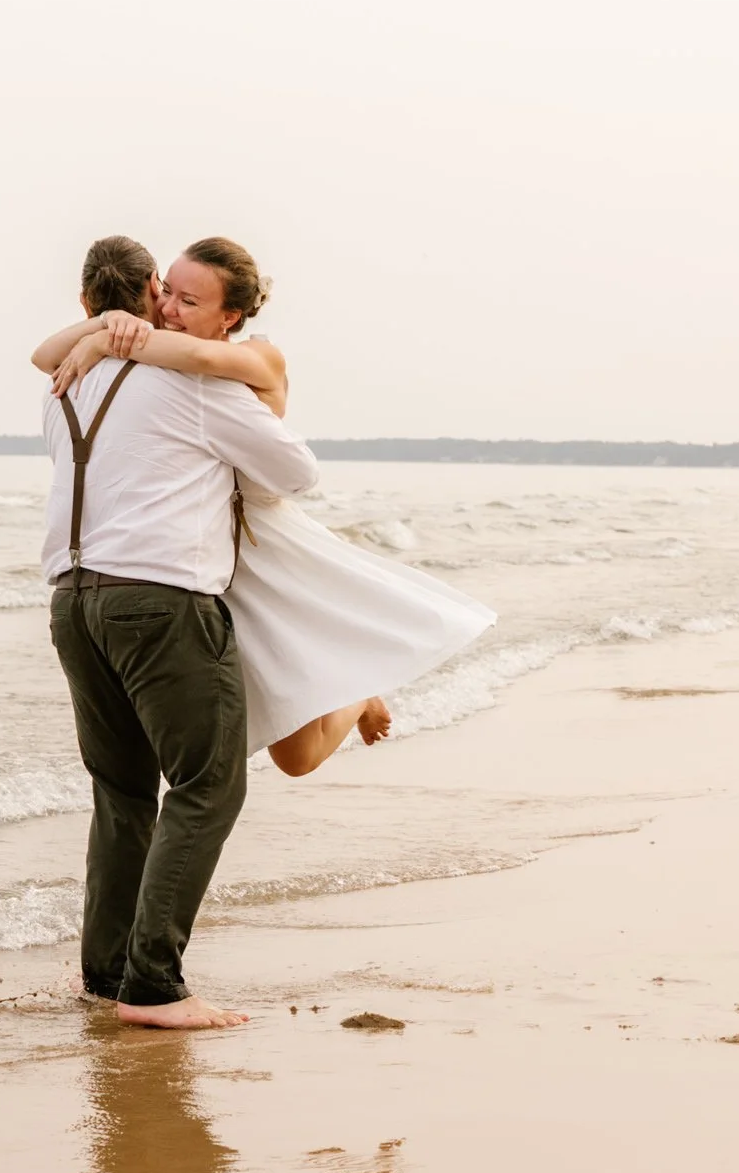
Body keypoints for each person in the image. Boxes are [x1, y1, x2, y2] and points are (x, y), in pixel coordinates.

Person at [35, 237, 495, 776]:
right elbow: (46, 357)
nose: (167, 310)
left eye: (189, 301)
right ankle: (353, 696)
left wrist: (102, 342)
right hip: (197, 559)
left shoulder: (254, 356)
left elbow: (204, 358)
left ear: (230, 315)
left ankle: (360, 692)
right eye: (169, 294)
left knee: (293, 757)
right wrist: (108, 327)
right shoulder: (166, 356)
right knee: (274, 749)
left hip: (262, 551)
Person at [43, 235, 321, 1030]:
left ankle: (104, 974)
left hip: (72, 601)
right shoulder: (191, 383)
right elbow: (297, 473)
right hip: (160, 603)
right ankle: (154, 986)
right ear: (152, 291)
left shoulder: (67, 381)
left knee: (122, 791)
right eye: (168, 293)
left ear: (88, 300)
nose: (171, 308)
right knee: (207, 784)